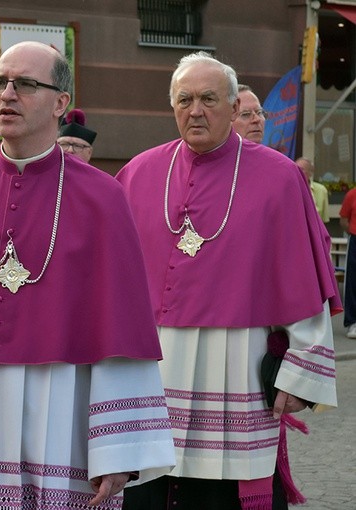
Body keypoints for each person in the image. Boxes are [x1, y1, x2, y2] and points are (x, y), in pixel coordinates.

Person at [0, 41, 175, 509]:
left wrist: (117, 451)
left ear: (60, 103)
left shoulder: (102, 198)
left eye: (25, 84)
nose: (5, 95)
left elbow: (121, 331)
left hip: (63, 404)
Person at [116, 51, 340, 510]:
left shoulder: (279, 178)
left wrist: (300, 373)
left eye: (208, 99)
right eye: (184, 99)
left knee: (226, 494)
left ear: (234, 107)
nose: (195, 110)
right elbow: (108, 284)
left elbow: (300, 279)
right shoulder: (137, 174)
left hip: (237, 366)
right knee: (150, 485)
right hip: (153, 372)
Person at [339, 186, 356, 339]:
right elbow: (344, 219)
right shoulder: (352, 194)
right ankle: (352, 322)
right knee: (352, 281)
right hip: (355, 238)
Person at [296, 157, 329, 224]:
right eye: (295, 169)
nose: (297, 172)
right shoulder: (287, 189)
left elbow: (324, 220)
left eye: (301, 169)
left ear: (310, 173)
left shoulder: (321, 190)